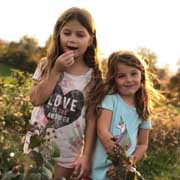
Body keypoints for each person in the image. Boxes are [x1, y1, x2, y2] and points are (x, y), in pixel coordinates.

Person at [28, 7, 102, 179]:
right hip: (36, 144)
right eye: (67, 33)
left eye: (80, 34)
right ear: (58, 34)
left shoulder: (94, 77)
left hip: (67, 153)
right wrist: (56, 71)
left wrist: (86, 155)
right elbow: (35, 99)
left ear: (90, 39)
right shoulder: (46, 64)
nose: (72, 39)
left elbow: (91, 119)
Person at [89, 50, 161, 180]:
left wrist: (127, 164)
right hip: (98, 172)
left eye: (134, 74)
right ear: (114, 79)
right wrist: (119, 161)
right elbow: (102, 131)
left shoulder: (143, 108)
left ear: (142, 75)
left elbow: (142, 145)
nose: (129, 80)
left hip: (123, 172)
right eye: (121, 76)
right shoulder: (111, 99)